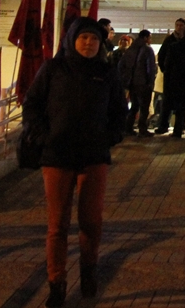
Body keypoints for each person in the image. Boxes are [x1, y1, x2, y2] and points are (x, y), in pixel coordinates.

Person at [23, 18, 128, 306]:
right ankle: (56, 283)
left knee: (91, 221)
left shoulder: (106, 72)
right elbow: (32, 104)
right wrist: (43, 137)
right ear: (72, 39)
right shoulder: (53, 69)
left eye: (94, 39)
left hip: (94, 156)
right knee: (57, 224)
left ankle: (88, 270)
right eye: (83, 38)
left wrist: (110, 137)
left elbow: (120, 111)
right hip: (57, 156)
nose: (89, 43)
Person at [119, 30, 157, 137]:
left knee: (134, 106)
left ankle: (128, 128)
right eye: (149, 37)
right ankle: (142, 129)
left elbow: (121, 65)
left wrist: (126, 79)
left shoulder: (130, 49)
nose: (150, 40)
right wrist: (150, 82)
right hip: (143, 83)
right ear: (145, 38)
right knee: (144, 108)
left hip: (132, 83)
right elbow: (150, 68)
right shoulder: (147, 49)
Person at [154, 18, 185, 134]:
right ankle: (164, 125)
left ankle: (179, 126)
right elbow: (161, 56)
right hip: (170, 76)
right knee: (167, 102)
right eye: (177, 25)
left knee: (180, 103)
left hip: (182, 77)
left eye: (181, 25)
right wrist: (165, 70)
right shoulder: (169, 40)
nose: (179, 27)